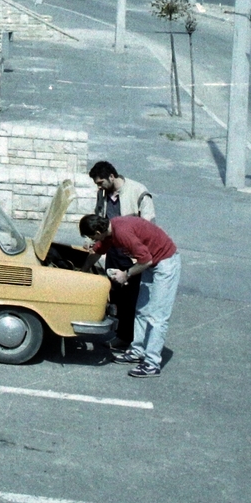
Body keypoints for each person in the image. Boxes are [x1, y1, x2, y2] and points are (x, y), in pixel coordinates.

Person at [79, 212, 180, 378]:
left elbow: (145, 260)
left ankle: (152, 363)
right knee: (142, 310)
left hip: (165, 262)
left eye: (92, 238)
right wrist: (82, 272)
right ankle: (137, 351)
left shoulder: (122, 233)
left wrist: (125, 274)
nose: (93, 241)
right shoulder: (109, 233)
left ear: (98, 233)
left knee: (157, 316)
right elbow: (97, 252)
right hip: (151, 262)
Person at [88, 161, 155, 350]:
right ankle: (121, 334)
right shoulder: (103, 194)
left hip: (132, 255)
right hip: (113, 251)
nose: (99, 187)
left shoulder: (138, 191)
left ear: (111, 176)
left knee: (130, 299)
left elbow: (149, 225)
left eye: (101, 182)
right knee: (116, 295)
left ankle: (130, 339)